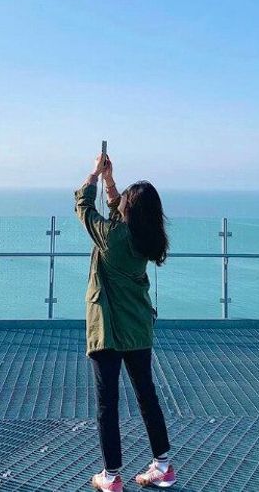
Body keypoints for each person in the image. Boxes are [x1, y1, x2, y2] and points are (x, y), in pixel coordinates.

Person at [77, 153, 176, 490]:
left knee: (108, 403)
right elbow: (119, 210)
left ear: (130, 212)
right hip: (137, 327)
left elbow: (84, 211)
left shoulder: (114, 237)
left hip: (108, 329)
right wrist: (110, 180)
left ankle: (111, 476)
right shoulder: (145, 236)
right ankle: (163, 465)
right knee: (146, 395)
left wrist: (92, 175)